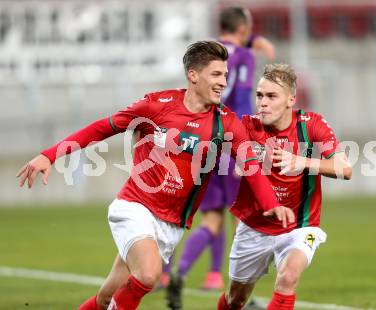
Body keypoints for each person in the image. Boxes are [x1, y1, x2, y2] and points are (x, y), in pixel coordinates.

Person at [16, 41, 294, 310]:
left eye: (225, 75)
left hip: (171, 225)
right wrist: (49, 155)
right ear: (193, 75)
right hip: (135, 207)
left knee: (106, 298)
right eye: (217, 74)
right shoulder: (156, 105)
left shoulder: (226, 122)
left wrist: (272, 205)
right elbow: (103, 128)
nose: (223, 81)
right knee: (148, 275)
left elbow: (251, 167)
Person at [216, 63, 352, 310]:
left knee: (288, 277)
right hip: (254, 226)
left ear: (291, 100)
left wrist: (303, 161)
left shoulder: (312, 125)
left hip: (299, 226)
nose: (263, 103)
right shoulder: (246, 127)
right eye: (259, 95)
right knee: (235, 299)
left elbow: (345, 168)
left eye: (271, 96)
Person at [164, 6, 276, 295]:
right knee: (239, 217)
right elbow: (239, 101)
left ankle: (193, 273)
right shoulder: (244, 58)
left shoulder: (209, 54)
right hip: (230, 141)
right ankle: (230, 286)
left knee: (211, 213)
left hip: (202, 139)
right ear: (244, 29)